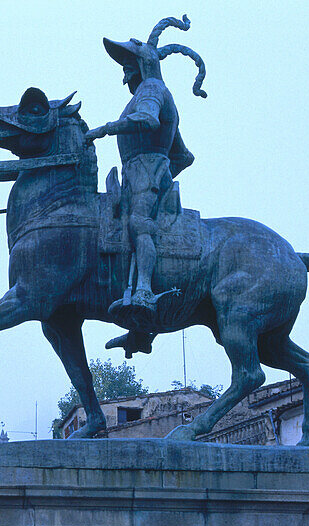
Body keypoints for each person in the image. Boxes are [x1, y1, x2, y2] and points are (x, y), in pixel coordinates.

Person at [85, 16, 206, 350]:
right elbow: (184, 156)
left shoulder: (152, 90)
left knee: (139, 225)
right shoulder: (156, 92)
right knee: (121, 230)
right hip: (143, 172)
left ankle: (143, 292)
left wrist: (104, 130)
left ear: (142, 65)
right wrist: (164, 176)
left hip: (145, 170)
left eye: (128, 65)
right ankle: (138, 327)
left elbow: (149, 119)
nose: (124, 73)